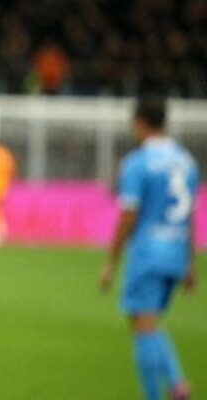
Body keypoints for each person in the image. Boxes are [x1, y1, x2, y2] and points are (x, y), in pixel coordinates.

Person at [99, 97, 198, 400]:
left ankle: (160, 391)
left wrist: (111, 261)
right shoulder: (187, 161)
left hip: (149, 252)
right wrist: (190, 262)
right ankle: (176, 383)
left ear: (140, 122)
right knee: (149, 324)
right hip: (176, 252)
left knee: (142, 328)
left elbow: (128, 214)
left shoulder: (137, 163)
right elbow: (190, 216)